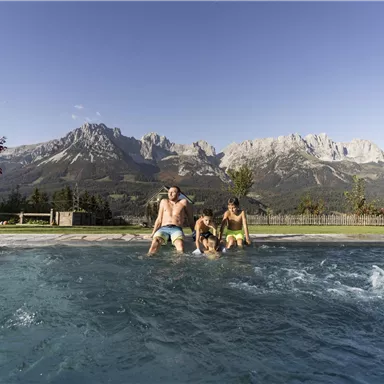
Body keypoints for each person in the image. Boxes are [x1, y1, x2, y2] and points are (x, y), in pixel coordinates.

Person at [148, 186, 195, 255]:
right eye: (169, 192)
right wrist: (153, 233)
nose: (170, 194)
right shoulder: (164, 202)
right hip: (163, 228)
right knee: (156, 241)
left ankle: (178, 262)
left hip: (176, 229)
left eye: (173, 192)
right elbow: (159, 219)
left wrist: (195, 234)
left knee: (180, 244)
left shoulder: (184, 202)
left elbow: (190, 219)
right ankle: (149, 259)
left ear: (179, 194)